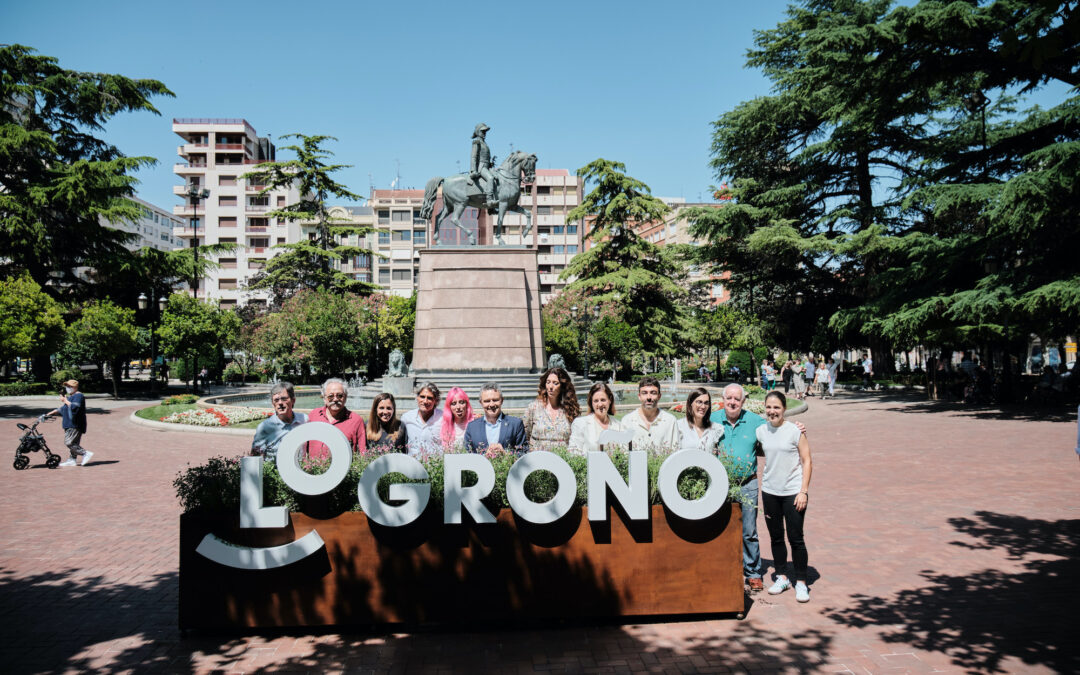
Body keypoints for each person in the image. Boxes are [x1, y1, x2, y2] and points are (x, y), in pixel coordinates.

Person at [711, 383, 807, 592]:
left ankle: (753, 573)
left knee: (749, 531)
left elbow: (777, 430)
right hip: (720, 485)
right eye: (729, 398)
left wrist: (796, 428)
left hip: (749, 483)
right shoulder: (712, 419)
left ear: (743, 401)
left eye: (737, 399)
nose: (733, 402)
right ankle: (722, 569)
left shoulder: (755, 422)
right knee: (719, 528)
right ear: (723, 399)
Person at [757, 391, 813, 603]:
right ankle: (781, 577)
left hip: (793, 492)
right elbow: (764, 451)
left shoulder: (795, 431)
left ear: (784, 409)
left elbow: (807, 460)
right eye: (769, 407)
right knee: (776, 537)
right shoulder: (760, 431)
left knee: (796, 538)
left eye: (777, 408)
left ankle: (801, 582)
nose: (772, 411)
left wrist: (803, 490)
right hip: (770, 490)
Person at [307, 378, 366, 460]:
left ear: (345, 397)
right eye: (330, 396)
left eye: (340, 396)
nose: (335, 399)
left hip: (344, 472)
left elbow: (362, 453)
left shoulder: (356, 420)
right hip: (313, 470)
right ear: (324, 398)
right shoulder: (313, 416)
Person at [523, 367, 578, 452]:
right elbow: (525, 435)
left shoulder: (570, 410)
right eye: (548, 382)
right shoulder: (533, 408)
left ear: (562, 386)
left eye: (555, 383)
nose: (551, 386)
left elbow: (576, 439)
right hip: (537, 460)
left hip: (562, 459)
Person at [464, 383, 528, 455]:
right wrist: (484, 456)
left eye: (495, 400)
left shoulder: (516, 424)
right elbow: (467, 455)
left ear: (502, 400)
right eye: (487, 401)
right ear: (481, 403)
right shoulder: (472, 427)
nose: (491, 404)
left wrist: (506, 454)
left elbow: (523, 453)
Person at [250, 381, 308, 461]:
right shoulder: (265, 427)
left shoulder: (304, 420)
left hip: (300, 471)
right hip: (274, 471)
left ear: (293, 400)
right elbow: (255, 457)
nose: (280, 403)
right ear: (272, 403)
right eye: (276, 400)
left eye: (284, 399)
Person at [621, 376, 680, 451]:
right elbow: (623, 453)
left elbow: (675, 451)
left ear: (659, 396)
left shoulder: (670, 421)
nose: (649, 397)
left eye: (653, 393)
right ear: (639, 396)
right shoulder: (627, 421)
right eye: (644, 393)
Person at [43, 379, 91, 466]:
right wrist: (52, 412)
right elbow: (64, 409)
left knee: (69, 442)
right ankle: (72, 460)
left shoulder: (78, 396)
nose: (67, 388)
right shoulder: (71, 397)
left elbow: (74, 408)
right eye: (67, 386)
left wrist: (64, 400)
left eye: (69, 386)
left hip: (75, 424)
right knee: (75, 443)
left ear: (75, 387)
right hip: (69, 424)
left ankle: (85, 453)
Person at [568, 382, 625, 454]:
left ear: (610, 400)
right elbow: (573, 453)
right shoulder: (581, 424)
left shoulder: (618, 425)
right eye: (596, 401)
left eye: (603, 400)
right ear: (591, 403)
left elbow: (624, 453)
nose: (600, 404)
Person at [401, 382, 444, 456]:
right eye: (422, 397)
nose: (425, 401)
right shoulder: (407, 418)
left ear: (436, 400)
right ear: (417, 397)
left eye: (429, 398)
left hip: (435, 465)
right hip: (412, 464)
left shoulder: (443, 418)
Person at [676, 387, 723, 453]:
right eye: (699, 402)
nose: (703, 406)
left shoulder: (715, 428)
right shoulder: (679, 426)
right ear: (690, 404)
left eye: (706, 403)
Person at [470, 122, 498, 209]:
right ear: (478, 132)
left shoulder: (484, 143)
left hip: (487, 167)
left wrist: (490, 163)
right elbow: (473, 157)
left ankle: (492, 207)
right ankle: (489, 200)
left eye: (485, 132)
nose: (484, 133)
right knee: (490, 178)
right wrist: (473, 170)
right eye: (482, 131)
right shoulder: (476, 142)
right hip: (481, 167)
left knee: (498, 177)